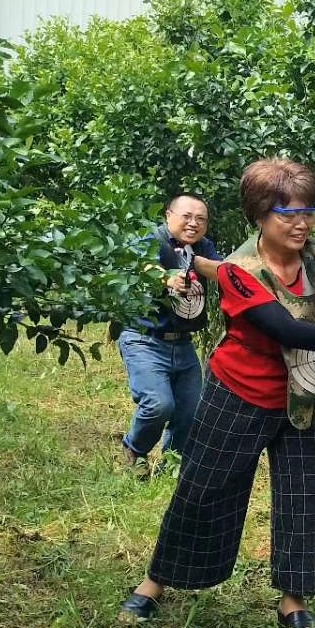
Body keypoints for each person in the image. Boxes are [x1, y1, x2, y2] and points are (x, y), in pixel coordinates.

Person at [118, 159, 315, 628]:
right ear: (260, 215)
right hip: (239, 392)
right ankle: (154, 582)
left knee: (299, 497)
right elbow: (285, 328)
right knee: (203, 488)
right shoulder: (238, 271)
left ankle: (293, 600)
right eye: (288, 213)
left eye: (308, 211)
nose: (301, 222)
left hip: (303, 397)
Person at [117, 194, 221, 477]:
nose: (193, 223)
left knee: (189, 411)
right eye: (186, 216)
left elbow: (221, 271)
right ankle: (134, 449)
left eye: (200, 219)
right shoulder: (152, 240)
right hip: (144, 338)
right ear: (168, 215)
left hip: (183, 343)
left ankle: (171, 467)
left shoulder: (203, 247)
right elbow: (144, 264)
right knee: (159, 404)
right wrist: (168, 278)